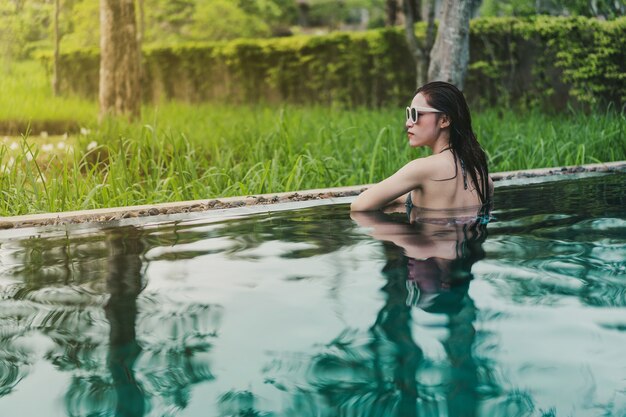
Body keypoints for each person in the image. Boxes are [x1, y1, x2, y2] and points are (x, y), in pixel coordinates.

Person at [350, 81, 493, 212]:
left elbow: (359, 206)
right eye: (408, 113)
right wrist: (409, 197)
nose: (408, 123)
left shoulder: (421, 169)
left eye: (416, 114)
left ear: (444, 120)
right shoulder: (482, 175)